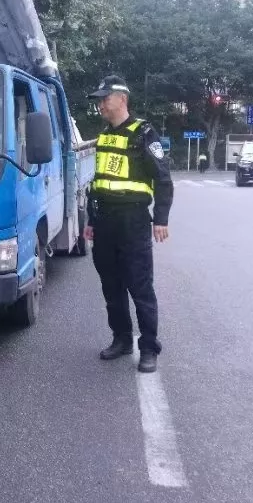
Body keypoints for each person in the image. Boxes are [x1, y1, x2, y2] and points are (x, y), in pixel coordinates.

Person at [84, 75, 174, 373]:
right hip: (105, 222)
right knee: (111, 287)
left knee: (140, 287)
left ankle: (148, 348)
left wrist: (160, 219)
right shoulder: (105, 136)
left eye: (104, 99)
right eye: (98, 100)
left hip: (133, 221)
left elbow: (163, 178)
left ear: (122, 99)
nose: (100, 105)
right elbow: (98, 183)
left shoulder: (143, 133)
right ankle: (121, 339)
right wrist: (91, 220)